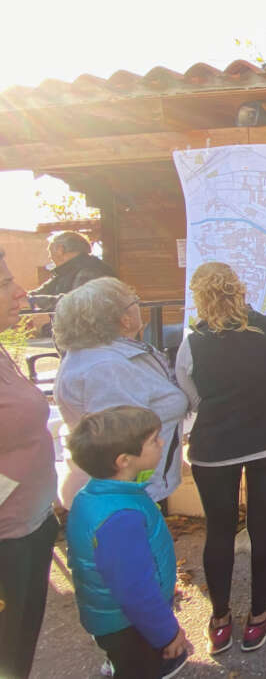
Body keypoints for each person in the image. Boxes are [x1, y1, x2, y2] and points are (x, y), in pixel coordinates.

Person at [175, 262, 266, 654]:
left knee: (219, 530)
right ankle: (259, 616)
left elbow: (192, 395)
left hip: (215, 447)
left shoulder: (192, 344)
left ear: (200, 297)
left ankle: (220, 621)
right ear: (239, 288)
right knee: (263, 524)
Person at [65, 407, 189, 679]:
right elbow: (135, 591)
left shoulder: (95, 495)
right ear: (124, 460)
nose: (162, 443)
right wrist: (167, 634)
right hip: (130, 626)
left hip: (116, 619)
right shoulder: (121, 518)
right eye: (153, 440)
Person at [53, 277, 189, 505]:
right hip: (123, 496)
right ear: (124, 319)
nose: (139, 304)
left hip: (130, 490)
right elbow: (119, 442)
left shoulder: (109, 355)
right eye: (134, 301)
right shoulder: (106, 368)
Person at [0, 249, 58, 679]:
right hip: (7, 542)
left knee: (18, 652)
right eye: (5, 284)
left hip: (30, 527)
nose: (21, 292)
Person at [27, 231, 117, 310]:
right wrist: (24, 297)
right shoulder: (67, 271)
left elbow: (77, 302)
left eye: (50, 252)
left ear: (60, 250)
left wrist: (33, 301)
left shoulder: (90, 270)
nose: (50, 257)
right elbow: (42, 292)